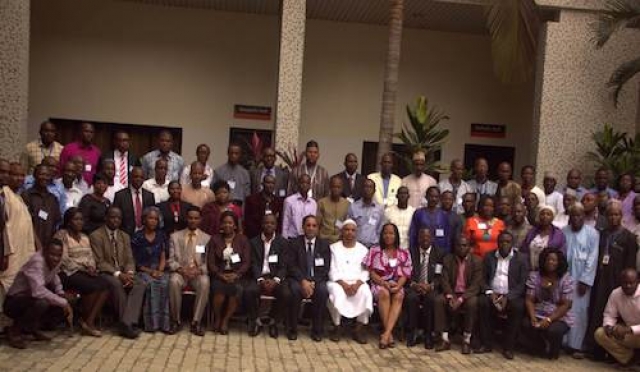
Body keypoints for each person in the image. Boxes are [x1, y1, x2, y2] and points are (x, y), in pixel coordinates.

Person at [586, 200, 638, 357]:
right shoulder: (602, 234)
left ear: (621, 216)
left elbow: (630, 266)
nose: (613, 217)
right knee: (597, 312)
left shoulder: (628, 237)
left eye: (616, 214)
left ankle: (615, 353)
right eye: (610, 215)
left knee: (617, 315)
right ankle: (595, 350)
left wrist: (625, 284)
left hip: (618, 282)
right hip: (600, 279)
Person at [3, 239, 73, 349]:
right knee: (42, 303)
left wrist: (61, 293)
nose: (56, 258)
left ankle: (31, 328)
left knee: (63, 300)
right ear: (45, 252)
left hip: (30, 297)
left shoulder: (56, 260)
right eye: (52, 254)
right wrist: (63, 302)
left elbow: (54, 276)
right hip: (14, 300)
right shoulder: (37, 262)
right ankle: (14, 331)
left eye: (58, 255)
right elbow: (38, 291)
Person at [90, 207, 145, 339]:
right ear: (106, 218)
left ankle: (126, 322)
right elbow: (100, 262)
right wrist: (119, 274)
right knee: (116, 284)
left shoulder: (124, 236)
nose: (116, 220)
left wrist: (130, 273)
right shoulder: (96, 236)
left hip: (124, 272)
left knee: (140, 284)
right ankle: (128, 324)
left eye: (118, 218)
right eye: (113, 217)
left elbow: (129, 258)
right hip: (106, 273)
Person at [54, 208, 109, 337]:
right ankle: (86, 321)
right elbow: (64, 259)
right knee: (92, 286)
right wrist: (84, 269)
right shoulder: (62, 235)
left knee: (105, 285)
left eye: (81, 219)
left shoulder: (85, 237)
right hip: (67, 272)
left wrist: (91, 267)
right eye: (76, 219)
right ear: (68, 222)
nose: (79, 222)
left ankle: (88, 321)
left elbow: (90, 256)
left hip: (84, 272)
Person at [477, 231, 528, 359]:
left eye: (507, 242)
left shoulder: (521, 259)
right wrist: (489, 292)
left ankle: (508, 347)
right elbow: (482, 279)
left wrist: (508, 297)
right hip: (492, 294)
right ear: (497, 243)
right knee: (482, 303)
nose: (504, 244)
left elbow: (522, 284)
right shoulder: (489, 256)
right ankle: (486, 343)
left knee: (518, 307)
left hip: (511, 295)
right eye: (501, 242)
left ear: (512, 244)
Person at [282, 215, 331, 341]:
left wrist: (313, 282)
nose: (311, 228)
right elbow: (291, 265)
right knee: (294, 290)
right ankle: (292, 329)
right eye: (308, 225)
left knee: (322, 291)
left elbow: (325, 268)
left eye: (314, 226)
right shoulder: (293, 243)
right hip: (298, 279)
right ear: (303, 227)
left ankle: (317, 330)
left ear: (318, 228)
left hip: (317, 280)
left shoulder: (324, 245)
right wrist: (303, 281)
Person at [363, 223, 411, 349]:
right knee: (383, 293)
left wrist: (398, 286)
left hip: (397, 284)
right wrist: (384, 283)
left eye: (391, 233)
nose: (388, 236)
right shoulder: (374, 251)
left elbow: (405, 274)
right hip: (379, 283)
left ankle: (386, 334)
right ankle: (388, 335)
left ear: (396, 236)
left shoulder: (404, 253)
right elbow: (371, 272)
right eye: (385, 233)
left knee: (399, 295)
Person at [434, 236, 482, 355]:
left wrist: (460, 299)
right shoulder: (447, 259)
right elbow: (443, 280)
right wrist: (450, 296)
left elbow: (476, 285)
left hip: (467, 295)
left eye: (464, 245)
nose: (461, 248)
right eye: (459, 245)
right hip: (452, 292)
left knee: (473, 303)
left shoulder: (477, 261)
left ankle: (466, 340)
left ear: (469, 248)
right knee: (439, 300)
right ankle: (444, 339)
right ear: (454, 247)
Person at [562, 203, 599, 358]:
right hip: (565, 278)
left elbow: (593, 257)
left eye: (579, 215)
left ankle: (576, 345)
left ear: (584, 216)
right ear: (570, 217)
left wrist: (585, 280)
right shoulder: (564, 231)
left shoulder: (592, 233)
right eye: (573, 215)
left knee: (580, 311)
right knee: (564, 309)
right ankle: (562, 342)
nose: (576, 218)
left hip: (581, 280)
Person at [167, 206, 210, 336]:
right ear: (186, 219)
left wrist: (199, 270)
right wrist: (180, 269)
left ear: (200, 220)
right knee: (173, 281)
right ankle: (176, 321)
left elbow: (208, 262)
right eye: (190, 218)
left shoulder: (206, 238)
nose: (193, 220)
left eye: (196, 218)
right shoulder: (175, 237)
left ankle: (196, 322)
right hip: (181, 272)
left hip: (197, 273)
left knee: (205, 282)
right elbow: (171, 261)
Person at [524, 247, 574, 360]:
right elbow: (529, 299)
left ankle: (554, 350)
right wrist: (532, 317)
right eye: (548, 259)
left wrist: (549, 319)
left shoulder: (566, 279)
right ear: (543, 261)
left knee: (553, 330)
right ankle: (539, 347)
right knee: (526, 324)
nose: (550, 262)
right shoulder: (535, 276)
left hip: (559, 316)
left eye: (554, 260)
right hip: (538, 312)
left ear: (559, 262)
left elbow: (566, 305)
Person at [326, 220, 372, 344]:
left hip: (357, 283)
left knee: (366, 292)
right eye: (347, 230)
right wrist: (343, 284)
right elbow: (331, 269)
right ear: (342, 231)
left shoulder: (363, 250)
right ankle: (337, 327)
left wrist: (357, 284)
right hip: (338, 282)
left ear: (356, 233)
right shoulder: (333, 248)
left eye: (352, 230)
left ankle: (358, 329)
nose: (349, 233)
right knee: (336, 292)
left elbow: (366, 271)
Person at [206, 211, 251, 334]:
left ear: (235, 225)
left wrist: (236, 274)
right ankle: (218, 317)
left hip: (237, 275)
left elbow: (246, 262)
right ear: (221, 225)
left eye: (230, 223)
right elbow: (211, 262)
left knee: (234, 291)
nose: (227, 225)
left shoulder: (243, 240)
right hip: (219, 275)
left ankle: (226, 320)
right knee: (219, 292)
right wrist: (220, 275)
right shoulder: (214, 239)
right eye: (224, 222)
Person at [245, 213, 288, 338]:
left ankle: (273, 321)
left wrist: (275, 280)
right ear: (262, 225)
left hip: (275, 277)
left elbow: (284, 266)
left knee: (286, 294)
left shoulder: (283, 243)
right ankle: (255, 321)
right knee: (248, 291)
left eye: (272, 223)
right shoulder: (253, 242)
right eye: (266, 223)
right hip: (259, 277)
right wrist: (260, 279)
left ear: (276, 225)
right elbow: (252, 263)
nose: (269, 225)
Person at [130, 207, 170, 333]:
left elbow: (163, 256)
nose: (153, 221)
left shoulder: (161, 235)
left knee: (164, 283)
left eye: (156, 219)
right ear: (144, 219)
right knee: (152, 284)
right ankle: (151, 324)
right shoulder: (137, 237)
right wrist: (151, 272)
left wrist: (160, 270)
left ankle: (164, 324)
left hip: (159, 270)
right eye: (150, 218)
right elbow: (135, 262)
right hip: (142, 271)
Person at [0, 163, 37, 295]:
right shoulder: (4, 194)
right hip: (10, 255)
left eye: (22, 175)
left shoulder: (19, 197)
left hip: (23, 255)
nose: (19, 178)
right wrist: (4, 254)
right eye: (15, 175)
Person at [404, 228, 445, 349]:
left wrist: (430, 286)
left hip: (431, 287)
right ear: (418, 238)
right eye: (422, 236)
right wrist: (414, 284)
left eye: (427, 237)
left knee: (431, 299)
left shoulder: (439, 253)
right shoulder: (411, 252)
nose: (425, 239)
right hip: (414, 286)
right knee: (411, 298)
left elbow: (440, 275)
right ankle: (412, 332)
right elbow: (406, 272)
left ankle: (428, 334)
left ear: (432, 238)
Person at [594, 268, 640, 367]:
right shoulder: (616, 293)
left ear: (638, 282)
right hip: (629, 334)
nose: (628, 286)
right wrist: (609, 327)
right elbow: (609, 315)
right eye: (625, 283)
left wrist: (628, 329)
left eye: (631, 283)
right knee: (600, 334)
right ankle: (630, 360)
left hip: (633, 331)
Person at [21, 164, 61, 250]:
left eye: (47, 175)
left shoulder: (53, 199)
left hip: (48, 246)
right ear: (35, 176)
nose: (44, 177)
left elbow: (55, 222)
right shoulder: (26, 195)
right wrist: (37, 243)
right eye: (41, 174)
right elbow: (26, 223)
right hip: (29, 244)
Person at [409, 186, 455, 254]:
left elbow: (447, 237)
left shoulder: (444, 215)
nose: (433, 199)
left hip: (439, 252)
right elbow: (413, 234)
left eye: (436, 197)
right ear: (426, 197)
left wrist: (446, 254)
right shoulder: (419, 213)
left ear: (439, 198)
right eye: (431, 196)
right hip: (421, 251)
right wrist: (413, 251)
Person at [112, 167, 155, 237]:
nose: (138, 179)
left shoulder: (149, 196)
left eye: (141, 177)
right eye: (136, 177)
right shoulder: (120, 195)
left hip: (145, 235)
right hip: (125, 235)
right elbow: (116, 217)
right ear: (130, 178)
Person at [521, 206, 566, 270]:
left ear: (552, 218)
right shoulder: (532, 232)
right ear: (539, 216)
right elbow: (524, 250)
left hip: (549, 272)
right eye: (542, 214)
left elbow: (561, 256)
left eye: (548, 214)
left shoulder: (558, 235)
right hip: (530, 270)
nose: (545, 216)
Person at [243, 174, 284, 239]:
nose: (270, 185)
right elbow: (248, 222)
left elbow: (280, 223)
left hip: (273, 238)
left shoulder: (278, 202)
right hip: (255, 237)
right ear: (262, 184)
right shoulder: (251, 200)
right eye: (268, 182)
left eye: (272, 183)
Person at [347, 178, 384, 248]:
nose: (367, 189)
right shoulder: (353, 207)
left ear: (374, 191)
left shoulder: (379, 209)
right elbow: (349, 228)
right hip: (357, 246)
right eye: (365, 186)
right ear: (362, 189)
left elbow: (380, 229)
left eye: (370, 187)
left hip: (374, 247)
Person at [282, 174, 317, 239]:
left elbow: (313, 223)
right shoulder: (289, 201)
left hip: (307, 239)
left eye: (307, 183)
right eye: (302, 182)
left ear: (310, 185)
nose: (305, 185)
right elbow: (285, 224)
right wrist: (284, 241)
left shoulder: (313, 203)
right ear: (298, 184)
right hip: (292, 238)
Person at [316, 176, 350, 244]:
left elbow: (347, 223)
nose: (336, 189)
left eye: (338, 187)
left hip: (340, 241)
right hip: (324, 240)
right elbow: (317, 224)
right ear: (330, 187)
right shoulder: (322, 203)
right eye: (334, 187)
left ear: (342, 188)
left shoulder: (347, 204)